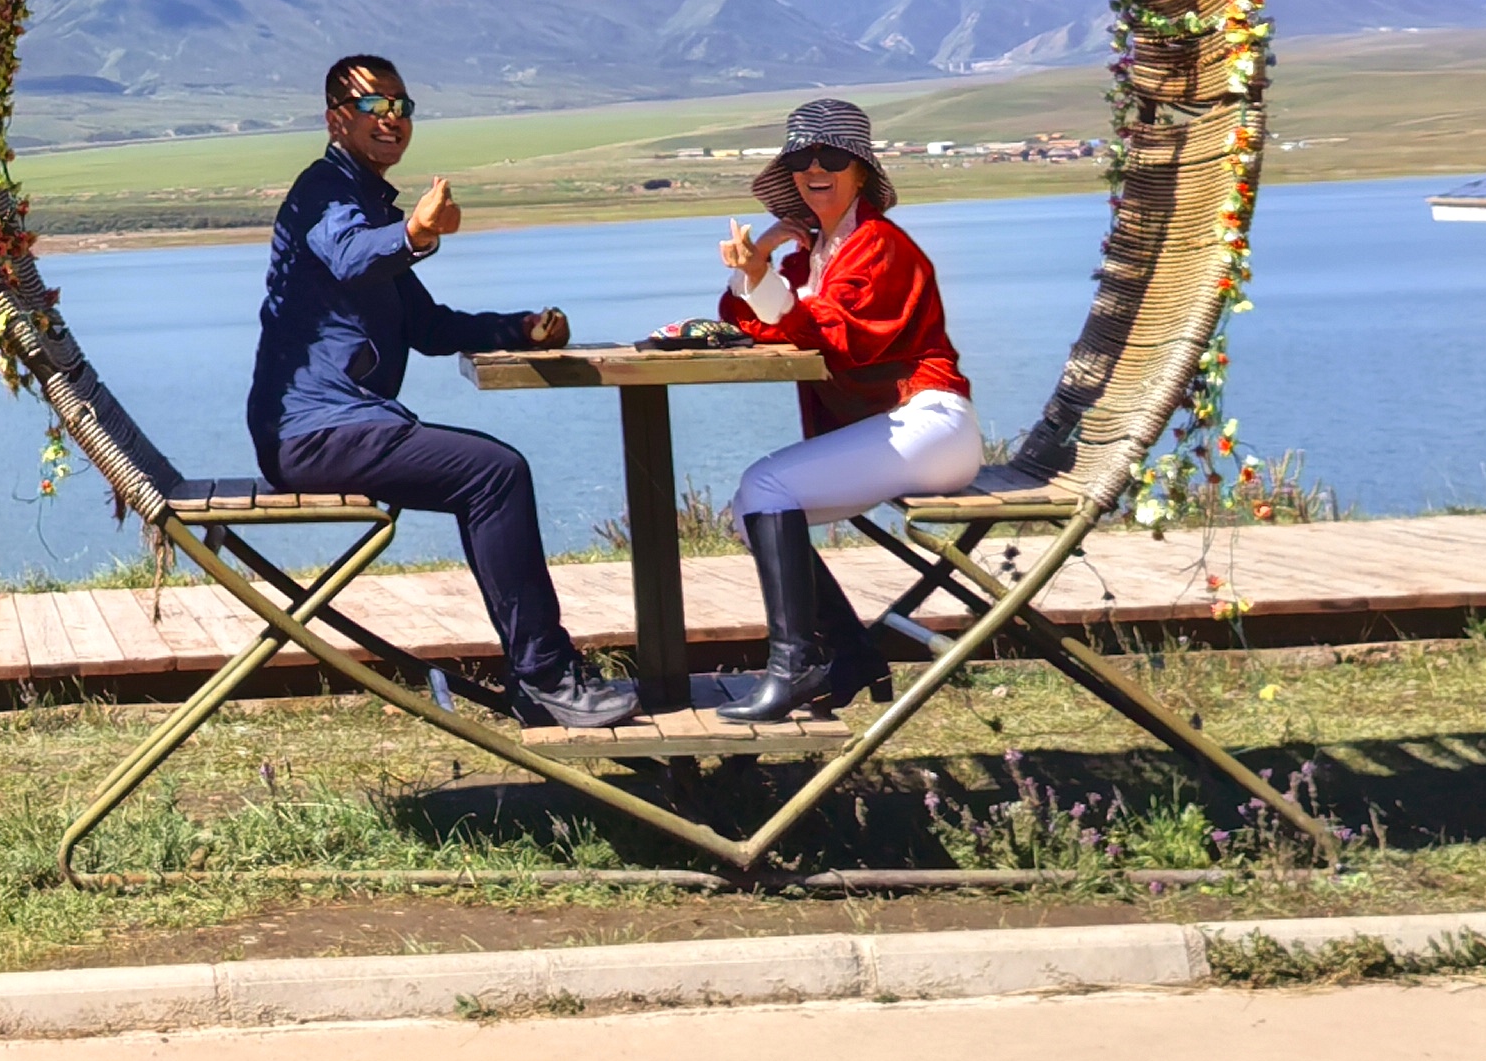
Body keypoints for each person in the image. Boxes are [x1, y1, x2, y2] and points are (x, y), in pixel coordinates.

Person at [245, 55, 641, 729]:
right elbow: (351, 255)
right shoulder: (325, 192)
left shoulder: (365, 200)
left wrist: (520, 329)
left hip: (330, 426)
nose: (392, 119)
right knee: (494, 474)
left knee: (491, 472)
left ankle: (540, 675)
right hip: (314, 432)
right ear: (336, 119)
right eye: (374, 106)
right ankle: (545, 678)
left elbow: (425, 326)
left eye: (402, 106)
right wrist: (416, 233)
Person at [706, 97, 978, 723]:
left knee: (766, 486)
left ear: (860, 171)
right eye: (800, 159)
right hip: (901, 430)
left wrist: (762, 277)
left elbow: (833, 335)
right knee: (751, 508)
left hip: (929, 420)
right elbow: (754, 321)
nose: (814, 169)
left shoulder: (877, 245)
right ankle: (851, 656)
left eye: (831, 156)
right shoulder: (814, 256)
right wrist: (758, 263)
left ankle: (795, 666)